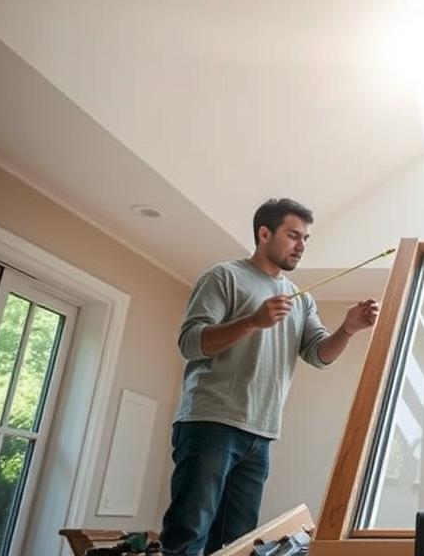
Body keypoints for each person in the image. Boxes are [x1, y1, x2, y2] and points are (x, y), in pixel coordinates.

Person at [160, 198, 379, 554]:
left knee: (238, 543)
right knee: (189, 533)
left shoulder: (300, 298)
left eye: (306, 238)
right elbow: (190, 342)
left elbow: (318, 355)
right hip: (210, 422)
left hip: (261, 434)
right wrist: (252, 321)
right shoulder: (224, 277)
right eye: (294, 235)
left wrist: (348, 328)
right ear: (264, 233)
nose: (302, 246)